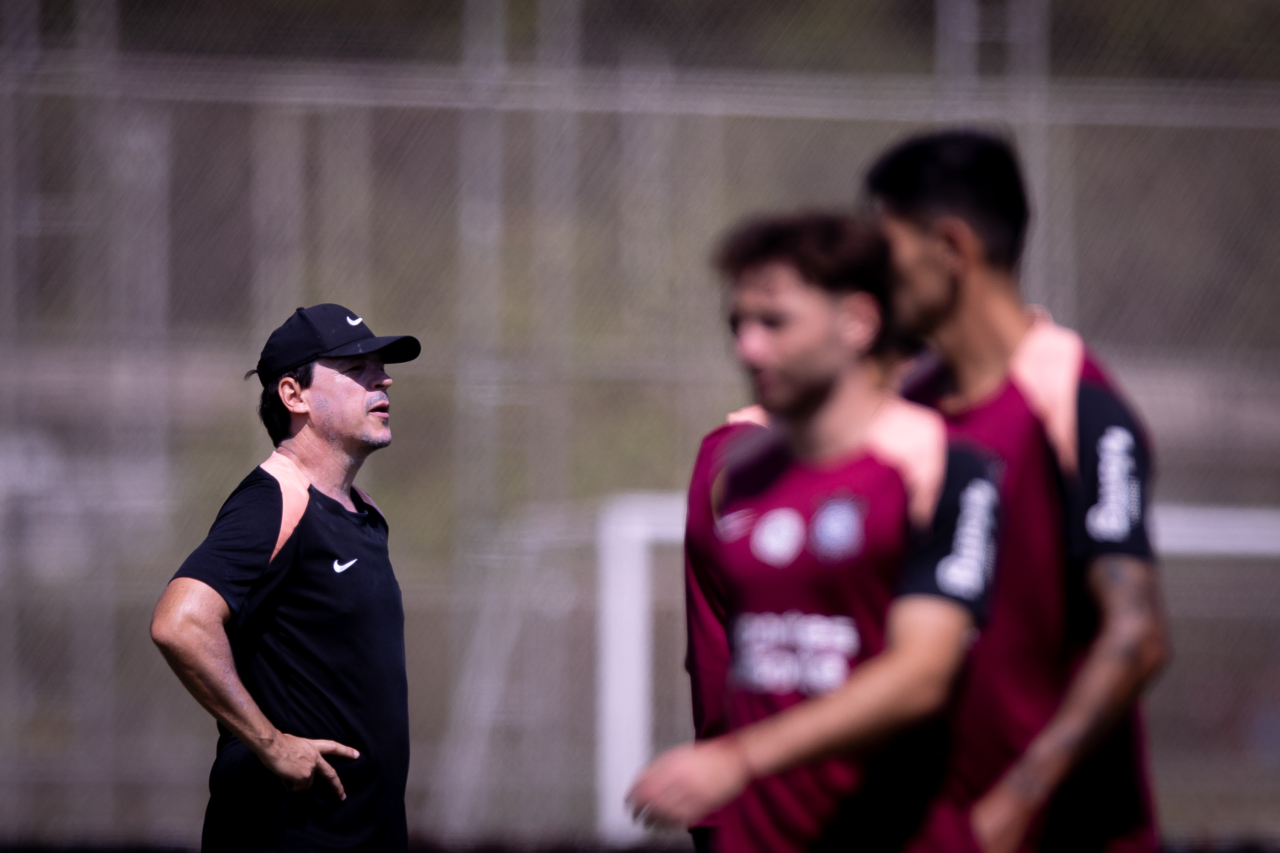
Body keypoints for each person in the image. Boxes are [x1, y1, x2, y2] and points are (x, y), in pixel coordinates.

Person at [628, 212, 1001, 852]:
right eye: (737, 324)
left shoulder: (941, 467)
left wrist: (739, 759)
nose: (748, 347)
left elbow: (922, 673)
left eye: (774, 322)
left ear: (857, 322)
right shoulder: (740, 473)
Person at [865, 130, 1168, 853]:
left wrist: (1019, 797)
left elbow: (1138, 634)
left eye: (889, 249)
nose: (876, 276)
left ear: (950, 247)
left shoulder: (1075, 402)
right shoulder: (910, 408)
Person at [150, 304, 421, 852]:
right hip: (288, 835)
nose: (382, 378)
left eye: (380, 365)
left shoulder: (361, 511)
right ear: (293, 395)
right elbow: (180, 623)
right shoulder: (276, 500)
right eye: (355, 368)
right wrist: (271, 745)